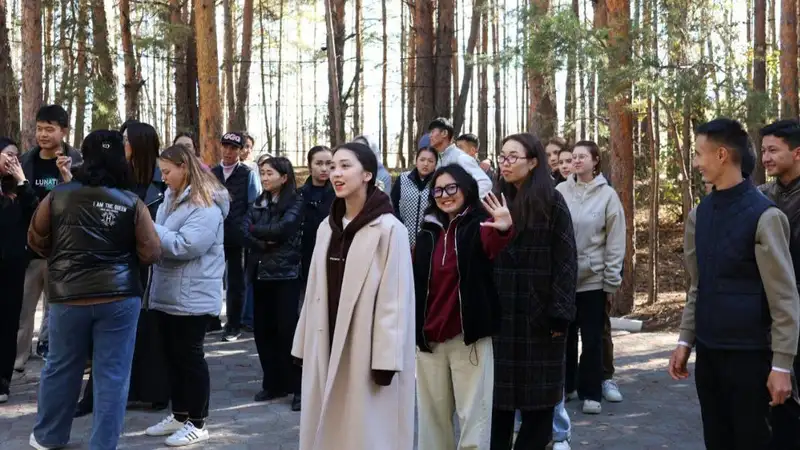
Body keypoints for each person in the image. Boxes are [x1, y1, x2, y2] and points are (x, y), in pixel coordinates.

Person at [668, 118, 800, 450]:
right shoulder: (700, 215)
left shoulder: (766, 217)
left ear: (723, 155)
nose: (696, 162)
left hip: (752, 358)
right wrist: (685, 341)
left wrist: (781, 364)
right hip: (710, 356)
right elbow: (698, 286)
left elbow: (783, 299)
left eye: (699, 154)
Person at [27, 130, 161, 450]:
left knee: (61, 366)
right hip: (119, 297)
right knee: (112, 375)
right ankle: (102, 444)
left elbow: (36, 238)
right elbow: (152, 251)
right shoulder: (132, 202)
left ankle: (49, 436)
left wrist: (62, 258)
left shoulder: (58, 196)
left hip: (67, 296)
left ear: (83, 156)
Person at [291, 141, 415, 450]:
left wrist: (386, 360)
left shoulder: (389, 229)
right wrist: (302, 343)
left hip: (366, 347)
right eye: (333, 166)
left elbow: (395, 300)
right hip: (326, 337)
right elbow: (314, 290)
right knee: (326, 423)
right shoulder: (326, 227)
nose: (336, 173)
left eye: (346, 166)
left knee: (365, 429)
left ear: (368, 175)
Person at [413, 164, 513, 450]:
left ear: (466, 189)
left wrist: (504, 227)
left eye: (451, 188)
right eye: (438, 190)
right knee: (432, 422)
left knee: (474, 419)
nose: (445, 195)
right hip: (428, 341)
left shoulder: (480, 226)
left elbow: (494, 243)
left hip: (468, 338)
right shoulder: (427, 233)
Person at [75, 121, 170, 417]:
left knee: (148, 330)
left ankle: (154, 392)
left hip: (150, 265)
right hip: (114, 263)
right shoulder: (116, 178)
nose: (122, 145)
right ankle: (93, 396)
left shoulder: (162, 183)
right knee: (107, 337)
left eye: (127, 140)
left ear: (139, 144)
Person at [490, 133, 577, 450]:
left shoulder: (552, 202)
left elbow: (566, 261)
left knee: (539, 408)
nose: (505, 163)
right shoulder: (494, 200)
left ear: (534, 162)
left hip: (540, 319)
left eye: (513, 156)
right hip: (501, 320)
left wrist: (559, 314)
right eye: (502, 156)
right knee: (498, 407)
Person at [143, 144, 229, 447]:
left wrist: (150, 227)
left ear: (183, 167)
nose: (163, 177)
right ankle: (180, 415)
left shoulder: (205, 205)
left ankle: (198, 421)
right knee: (173, 358)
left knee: (190, 359)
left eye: (167, 171)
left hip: (193, 297)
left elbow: (185, 245)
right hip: (168, 293)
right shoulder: (169, 197)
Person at [556, 140, 625, 415]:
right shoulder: (560, 191)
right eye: (573, 157)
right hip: (564, 279)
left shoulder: (607, 196)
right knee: (566, 336)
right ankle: (567, 386)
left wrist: (611, 279)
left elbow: (616, 241)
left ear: (596, 160)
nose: (576, 161)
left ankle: (591, 392)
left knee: (593, 338)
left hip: (593, 279)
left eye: (582, 156)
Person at [17, 105, 82, 368]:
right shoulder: (25, 162)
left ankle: (53, 354)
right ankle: (18, 358)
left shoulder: (77, 162)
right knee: (24, 307)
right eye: (40, 129)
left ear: (63, 131)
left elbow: (79, 201)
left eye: (50, 129)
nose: (43, 134)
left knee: (57, 308)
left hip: (62, 247)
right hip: (30, 247)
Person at [242, 156, 304, 410]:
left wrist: (259, 231)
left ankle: (298, 387)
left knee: (287, 332)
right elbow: (243, 229)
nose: (265, 178)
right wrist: (261, 239)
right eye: (263, 173)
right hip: (259, 274)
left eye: (270, 173)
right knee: (263, 332)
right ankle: (273, 383)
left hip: (286, 276)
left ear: (284, 177)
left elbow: (284, 228)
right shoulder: (258, 201)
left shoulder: (296, 202)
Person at [758, 119, 800, 449]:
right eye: (762, 151)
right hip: (773, 318)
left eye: (773, 150)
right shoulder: (761, 197)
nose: (766, 158)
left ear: (796, 152)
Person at [212, 131, 261, 342]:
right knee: (211, 279)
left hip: (238, 239)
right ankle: (210, 320)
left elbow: (255, 205)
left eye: (233, 148)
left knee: (236, 282)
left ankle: (233, 325)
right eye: (225, 146)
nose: (228, 151)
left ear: (241, 151)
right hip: (213, 236)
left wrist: (244, 228)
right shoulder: (212, 173)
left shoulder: (248, 174)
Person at [0, 140, 38, 403]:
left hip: (12, 266)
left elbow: (35, 213)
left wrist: (21, 180)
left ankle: (3, 381)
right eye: (7, 155)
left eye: (17, 156)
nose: (13, 160)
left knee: (8, 322)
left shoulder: (20, 190)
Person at [427, 118, 493, 197]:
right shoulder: (438, 159)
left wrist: (466, 204)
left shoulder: (460, 157)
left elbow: (485, 183)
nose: (429, 136)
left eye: (432, 132)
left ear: (444, 133)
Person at [297, 146, 336, 282]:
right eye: (319, 164)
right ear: (310, 166)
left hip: (332, 252)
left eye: (329, 164)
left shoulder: (340, 195)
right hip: (304, 254)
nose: (324, 169)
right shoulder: (298, 195)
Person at [390, 146, 438, 248]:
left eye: (430, 161)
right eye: (422, 160)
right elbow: (392, 204)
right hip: (402, 236)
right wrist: (399, 224)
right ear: (416, 161)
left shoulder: (438, 182)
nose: (426, 164)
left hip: (429, 239)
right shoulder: (403, 179)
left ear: (435, 164)